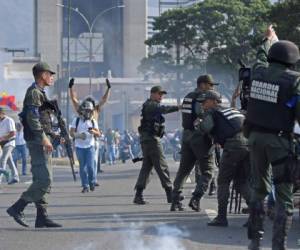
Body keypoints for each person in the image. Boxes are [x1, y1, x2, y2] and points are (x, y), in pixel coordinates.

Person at [244, 25, 300, 249]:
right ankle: (279, 245)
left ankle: (254, 242)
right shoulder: (295, 80)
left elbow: (260, 56)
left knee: (258, 190)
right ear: (293, 61)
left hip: (255, 138)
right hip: (279, 142)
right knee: (285, 198)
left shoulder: (258, 72)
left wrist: (269, 38)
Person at [7, 62, 61, 228]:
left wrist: (53, 135)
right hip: (37, 141)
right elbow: (32, 118)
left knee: (41, 178)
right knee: (45, 179)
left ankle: (41, 217)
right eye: (49, 74)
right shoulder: (34, 93)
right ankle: (18, 207)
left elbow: (43, 119)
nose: (52, 77)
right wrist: (43, 138)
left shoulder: (40, 93)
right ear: (42, 75)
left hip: (42, 139)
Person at [192, 90, 251, 227]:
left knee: (223, 181)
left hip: (233, 146)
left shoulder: (213, 112)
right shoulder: (232, 111)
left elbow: (206, 128)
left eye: (205, 102)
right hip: (248, 145)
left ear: (213, 102)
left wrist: (198, 124)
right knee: (241, 182)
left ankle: (221, 217)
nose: (203, 105)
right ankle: (256, 215)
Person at [171, 74, 217, 211]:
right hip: (199, 136)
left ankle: (175, 199)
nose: (212, 88)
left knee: (184, 170)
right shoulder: (200, 98)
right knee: (208, 170)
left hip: (186, 135)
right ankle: (196, 198)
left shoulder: (187, 96)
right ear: (202, 84)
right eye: (210, 85)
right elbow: (202, 115)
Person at [133, 85, 181, 205]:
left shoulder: (149, 105)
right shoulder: (151, 105)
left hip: (147, 139)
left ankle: (138, 195)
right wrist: (178, 107)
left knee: (147, 168)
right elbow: (163, 109)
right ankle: (171, 194)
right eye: (159, 94)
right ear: (152, 94)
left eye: (162, 95)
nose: (161, 97)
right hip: (152, 140)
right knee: (162, 165)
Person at [69, 78, 111, 186]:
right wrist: (70, 88)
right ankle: (88, 182)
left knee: (93, 162)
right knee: (84, 164)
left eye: (89, 109)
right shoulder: (80, 112)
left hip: (94, 137)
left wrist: (108, 89)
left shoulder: (96, 110)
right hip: (81, 141)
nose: (88, 111)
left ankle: (93, 180)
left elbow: (104, 100)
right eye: (86, 108)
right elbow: (73, 99)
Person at [70, 100, 100, 193]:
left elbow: (98, 134)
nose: (88, 113)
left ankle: (91, 182)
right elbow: (71, 133)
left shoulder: (93, 121)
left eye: (90, 111)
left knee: (91, 167)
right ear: (82, 111)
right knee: (82, 167)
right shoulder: (77, 120)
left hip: (90, 147)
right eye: (87, 111)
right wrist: (79, 136)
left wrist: (94, 132)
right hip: (79, 147)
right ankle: (85, 186)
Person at [0, 107, 19, 185]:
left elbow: (13, 133)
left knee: (3, 160)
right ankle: (16, 176)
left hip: (9, 143)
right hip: (2, 143)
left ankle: (0, 180)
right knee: (9, 161)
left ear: (2, 113)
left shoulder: (9, 120)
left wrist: (3, 138)